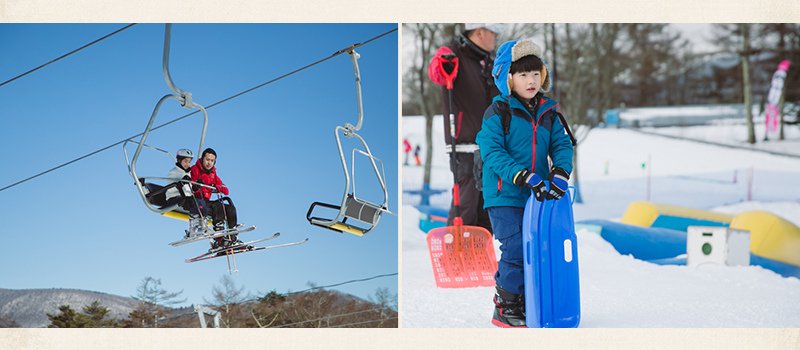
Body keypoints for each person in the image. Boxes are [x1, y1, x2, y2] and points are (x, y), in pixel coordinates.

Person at [476, 39, 574, 328]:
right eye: (522, 75)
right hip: (504, 194)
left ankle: (529, 300)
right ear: (508, 78)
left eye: (535, 74)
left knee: (538, 247)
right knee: (516, 247)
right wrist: (522, 175)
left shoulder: (548, 113)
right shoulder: (498, 113)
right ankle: (506, 305)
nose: (531, 81)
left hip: (537, 195)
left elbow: (562, 144)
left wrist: (560, 173)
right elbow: (492, 152)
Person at [427, 23, 503, 233]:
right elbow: (437, 73)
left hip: (489, 145)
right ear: (480, 32)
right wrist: (443, 63)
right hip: (465, 144)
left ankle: (479, 256)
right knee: (466, 204)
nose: (496, 38)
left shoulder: (490, 61)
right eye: (493, 33)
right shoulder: (454, 53)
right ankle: (456, 252)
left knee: (486, 206)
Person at [190, 148, 241, 248]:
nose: (209, 163)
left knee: (230, 208)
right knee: (217, 206)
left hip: (206, 202)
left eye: (212, 161)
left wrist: (217, 187)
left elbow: (225, 190)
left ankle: (232, 235)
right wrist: (197, 185)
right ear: (202, 159)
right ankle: (219, 236)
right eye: (207, 160)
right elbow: (190, 184)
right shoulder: (194, 169)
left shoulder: (213, 174)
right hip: (196, 201)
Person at [164, 148, 209, 238]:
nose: (187, 164)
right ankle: (194, 229)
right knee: (195, 202)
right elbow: (177, 181)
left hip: (186, 197)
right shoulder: (173, 172)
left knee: (201, 202)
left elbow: (189, 188)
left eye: (189, 162)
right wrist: (184, 180)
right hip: (174, 198)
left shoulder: (188, 173)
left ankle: (203, 226)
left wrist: (196, 186)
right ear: (179, 160)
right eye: (185, 161)